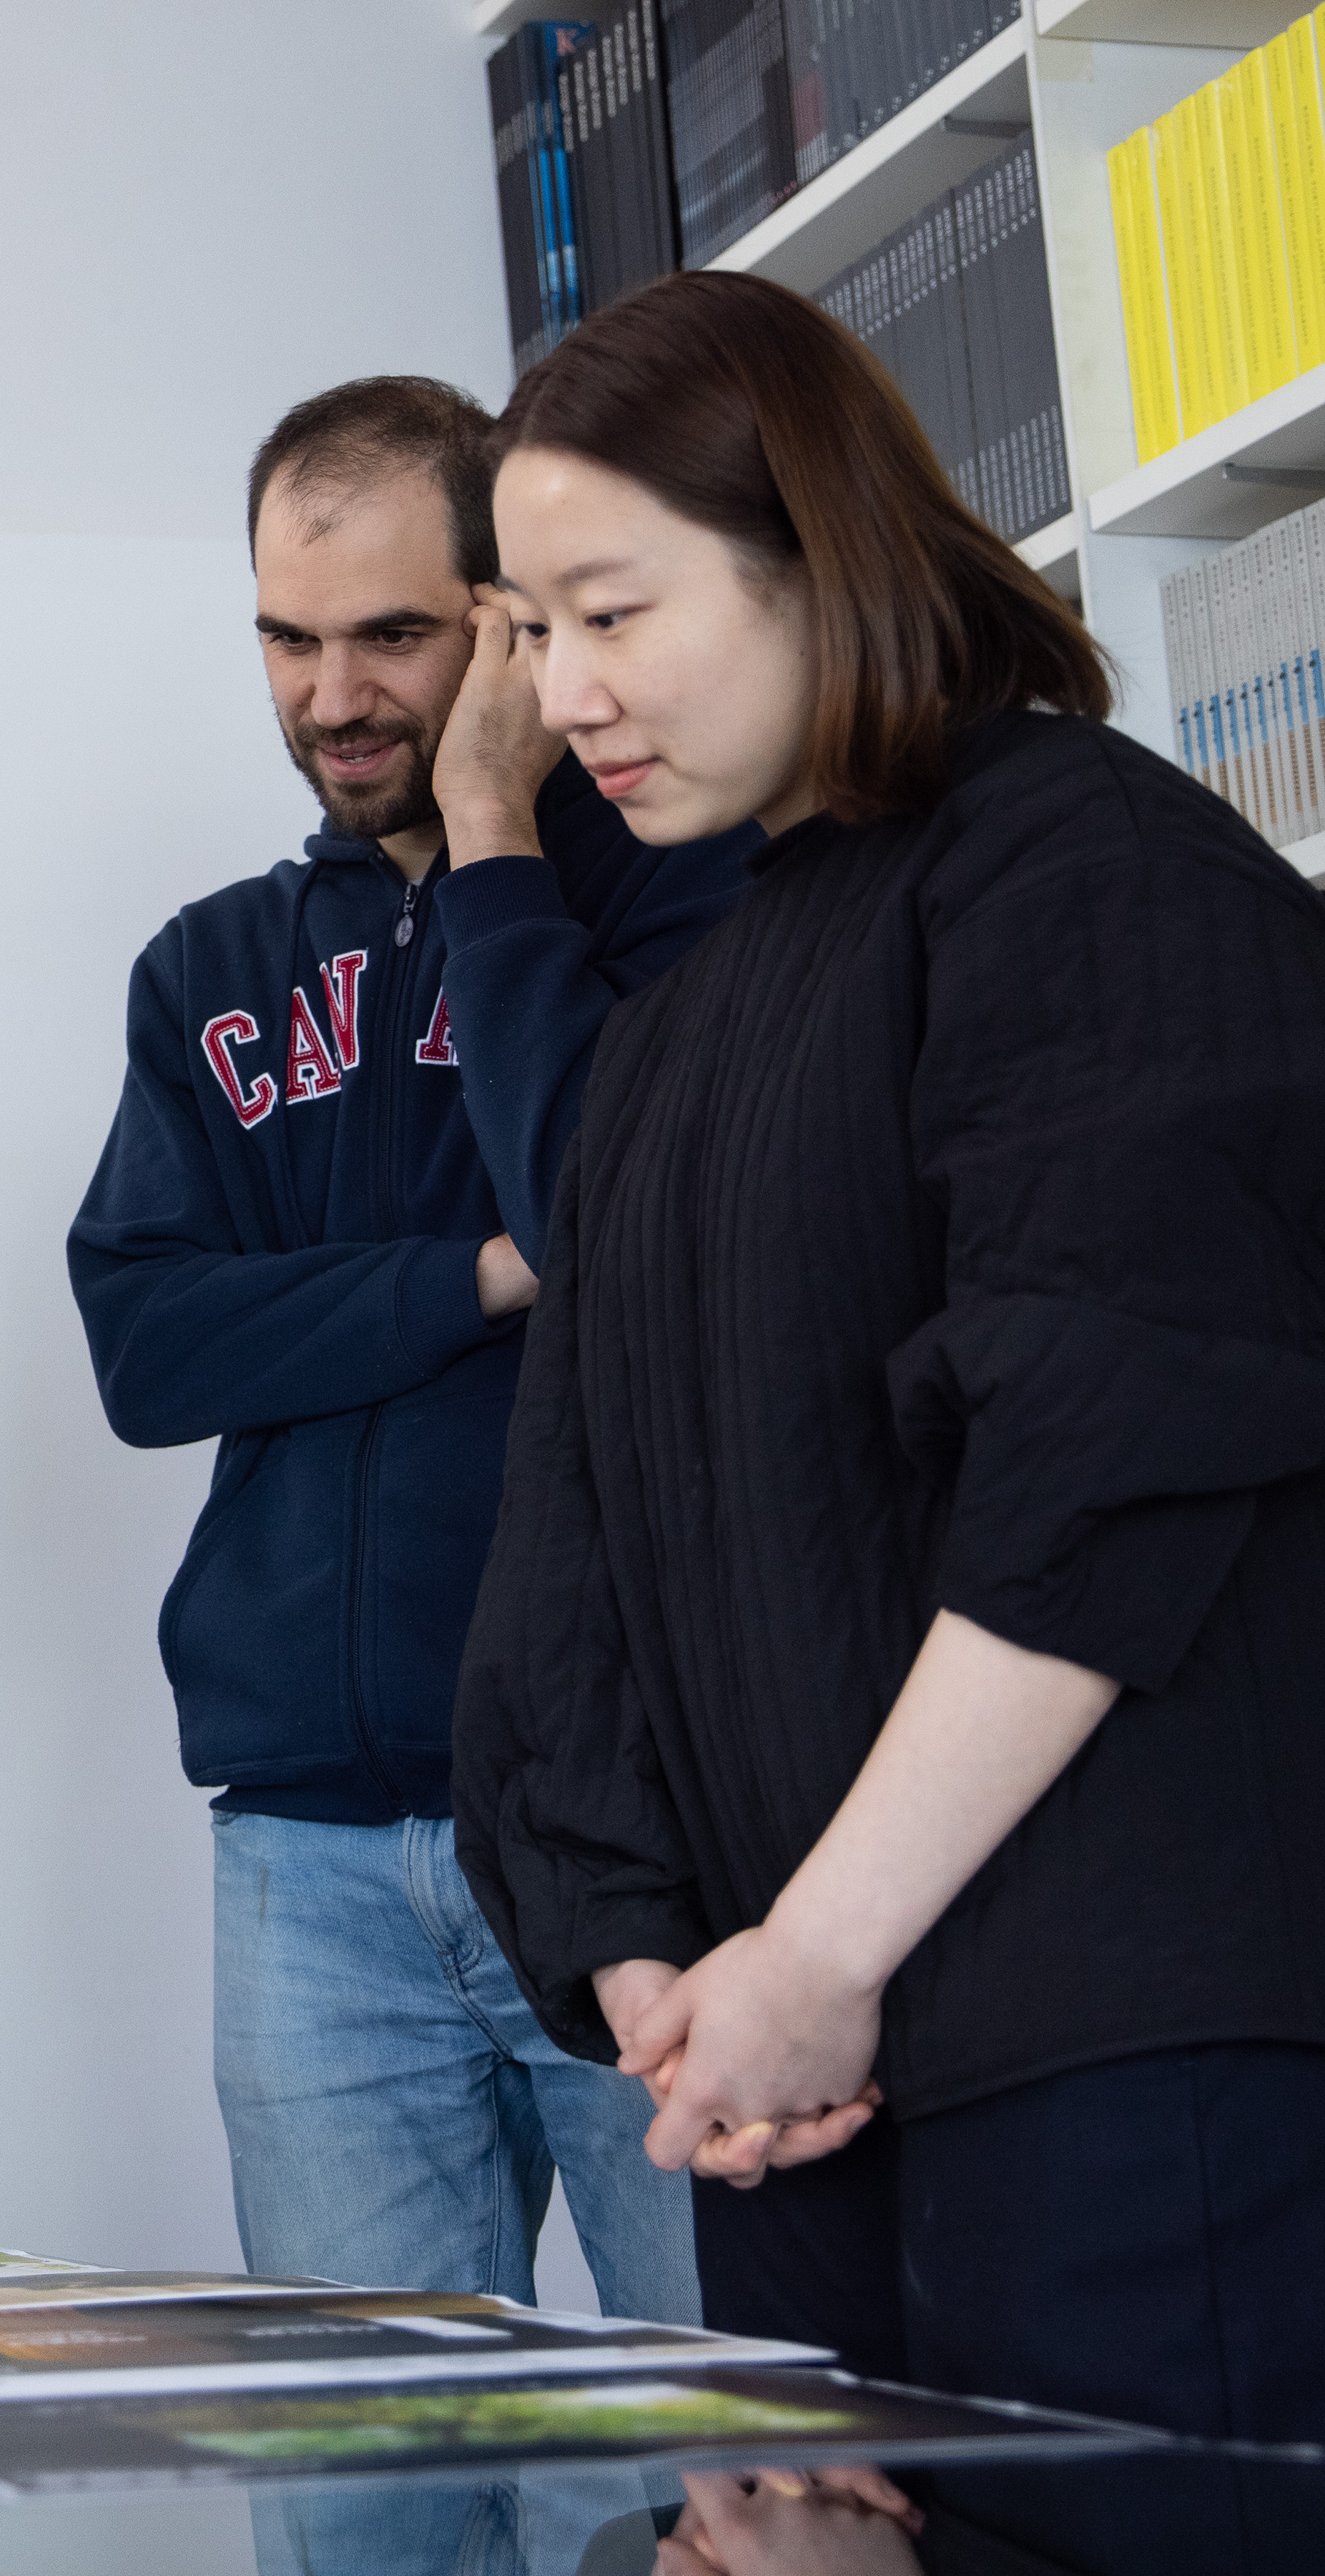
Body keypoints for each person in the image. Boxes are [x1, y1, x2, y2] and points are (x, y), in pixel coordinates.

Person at [454, 271, 1325, 2545]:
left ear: (811, 552)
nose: (562, 694)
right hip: (789, 2101)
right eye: (530, 631)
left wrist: (821, 1952)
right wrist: (665, 1980)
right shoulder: (671, 1030)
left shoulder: (1087, 865)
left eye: (610, 610)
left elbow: (1106, 1456)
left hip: (1122, 2069)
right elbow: (573, 1566)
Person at [68, 377, 750, 2576]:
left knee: (723, 2478)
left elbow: (655, 1234)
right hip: (309, 1862)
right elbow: (145, 1345)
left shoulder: (663, 907)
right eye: (286, 638)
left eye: (387, 634)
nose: (331, 694)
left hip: (646, 1826)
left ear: (504, 618)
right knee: (366, 2515)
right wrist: (474, 1272)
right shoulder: (209, 971)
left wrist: (492, 840)